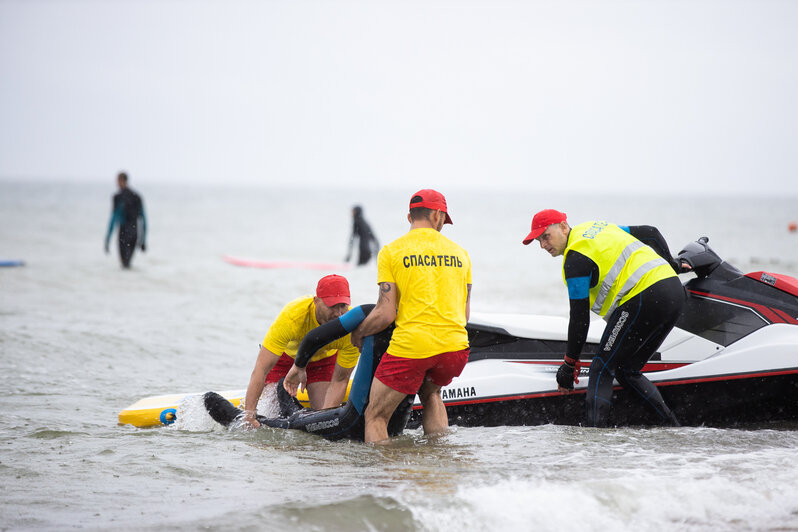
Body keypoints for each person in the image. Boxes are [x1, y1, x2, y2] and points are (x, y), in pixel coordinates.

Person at [522, 209, 686, 427]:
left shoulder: (576, 259)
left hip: (643, 298)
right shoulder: (596, 228)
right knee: (627, 370)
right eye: (538, 241)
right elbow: (651, 233)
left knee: (601, 368)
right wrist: (672, 264)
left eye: (545, 236)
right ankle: (673, 428)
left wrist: (569, 365)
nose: (542, 245)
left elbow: (579, 318)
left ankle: (593, 442)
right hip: (674, 291)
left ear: (563, 227)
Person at [351, 189, 472, 443]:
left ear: (409, 217)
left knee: (375, 415)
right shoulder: (461, 254)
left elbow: (385, 313)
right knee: (431, 395)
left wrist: (359, 332)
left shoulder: (392, 252)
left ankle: (385, 480)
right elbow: (464, 313)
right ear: (438, 215)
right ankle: (438, 464)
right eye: (443, 221)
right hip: (455, 348)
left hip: (413, 347)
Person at [205, 304, 414, 441]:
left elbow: (315, 337)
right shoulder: (425, 332)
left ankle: (249, 412)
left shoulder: (368, 313)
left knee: (292, 423)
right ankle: (275, 399)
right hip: (391, 427)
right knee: (300, 418)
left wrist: (299, 366)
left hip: (350, 423)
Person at [241, 274, 359, 427]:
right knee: (273, 412)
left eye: (343, 306)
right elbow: (261, 369)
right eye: (332, 306)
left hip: (323, 362)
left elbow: (340, 380)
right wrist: (249, 416)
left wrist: (327, 423)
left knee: (321, 415)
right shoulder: (293, 316)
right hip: (287, 359)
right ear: (316, 301)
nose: (338, 313)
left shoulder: (351, 327)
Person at [105, 171, 147, 268]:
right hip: (134, 233)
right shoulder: (137, 196)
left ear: (121, 181)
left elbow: (113, 219)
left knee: (124, 264)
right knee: (128, 264)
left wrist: (107, 239)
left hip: (123, 233)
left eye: (117, 181)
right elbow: (144, 219)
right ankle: (131, 282)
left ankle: (123, 282)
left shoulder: (117, 197)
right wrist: (143, 239)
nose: (117, 184)